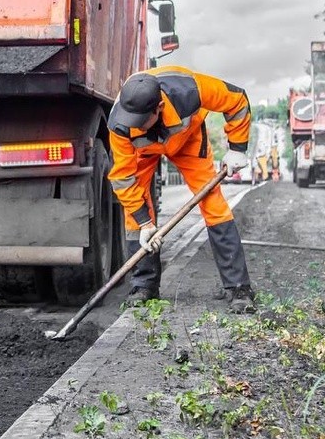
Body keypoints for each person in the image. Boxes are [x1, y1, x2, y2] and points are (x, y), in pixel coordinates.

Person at [107, 66, 256, 314]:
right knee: (134, 214)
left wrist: (237, 148)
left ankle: (238, 288)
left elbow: (237, 99)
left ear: (159, 108)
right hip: (143, 153)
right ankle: (144, 285)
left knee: (214, 205)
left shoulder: (189, 89)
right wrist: (145, 223)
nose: (136, 126)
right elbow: (123, 177)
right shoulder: (120, 123)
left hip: (188, 141)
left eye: (141, 121)